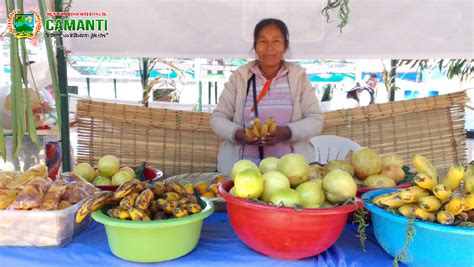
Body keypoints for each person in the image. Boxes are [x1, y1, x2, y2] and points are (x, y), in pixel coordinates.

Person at [210, 18, 324, 173]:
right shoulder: (240, 77)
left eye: (276, 41)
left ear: (285, 47)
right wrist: (240, 134)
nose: (269, 48)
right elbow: (218, 118)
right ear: (255, 47)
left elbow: (316, 119)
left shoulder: (298, 77)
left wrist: (286, 132)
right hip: (244, 172)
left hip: (291, 173)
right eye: (263, 41)